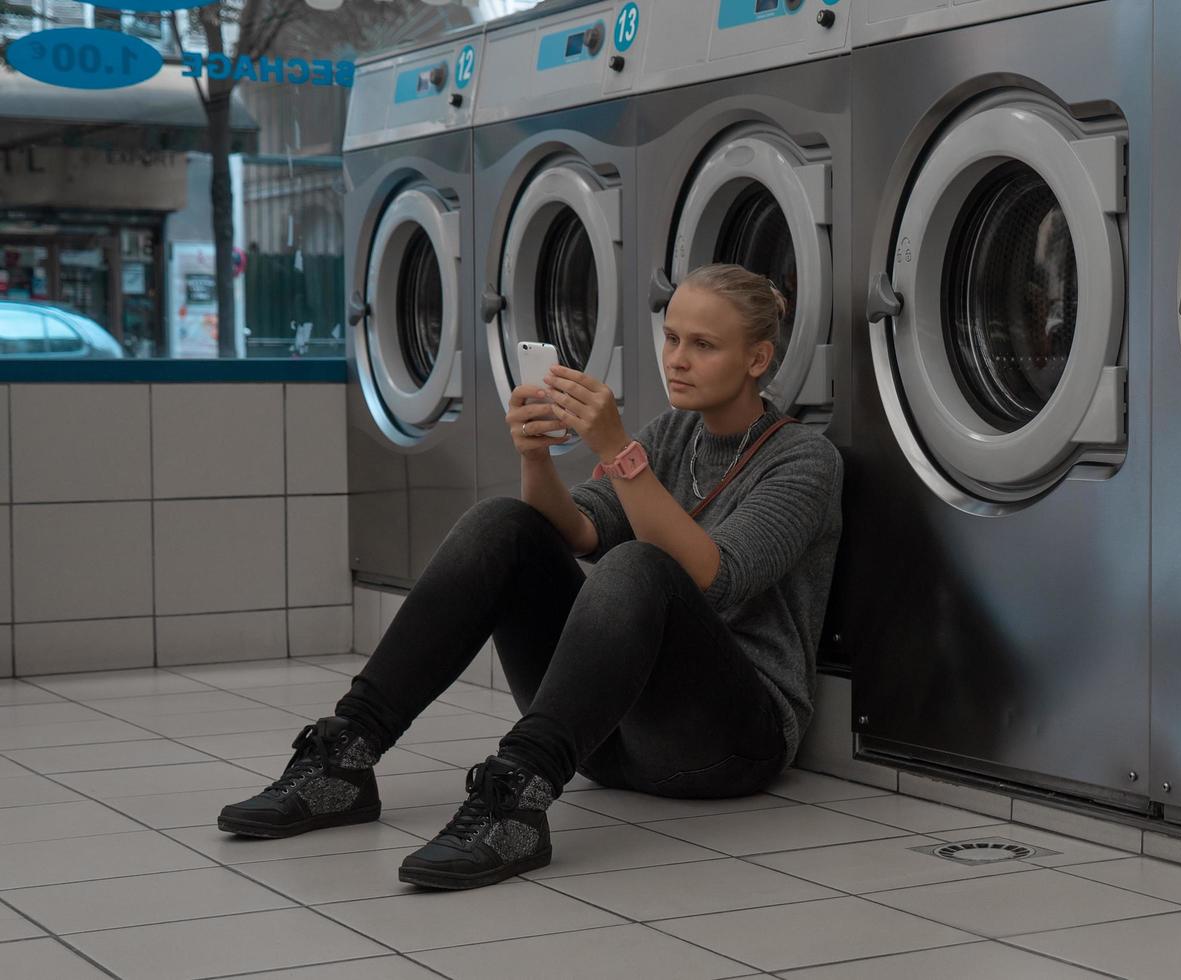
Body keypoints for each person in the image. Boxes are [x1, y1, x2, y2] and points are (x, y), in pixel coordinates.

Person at [216, 263, 844, 891]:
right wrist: (535, 457)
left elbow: (716, 578)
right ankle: (346, 758)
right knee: (505, 522)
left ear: (757, 358)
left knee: (641, 565)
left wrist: (618, 455)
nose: (677, 359)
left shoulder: (805, 460)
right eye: (672, 338)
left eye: (703, 345)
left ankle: (516, 799)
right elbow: (581, 531)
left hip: (728, 747)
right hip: (609, 737)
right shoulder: (672, 435)